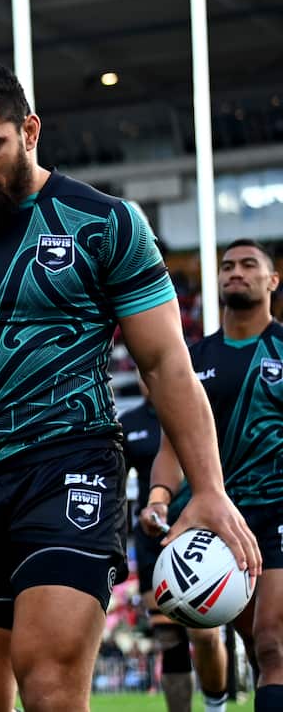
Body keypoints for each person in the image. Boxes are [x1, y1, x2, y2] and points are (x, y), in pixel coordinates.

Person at [0, 60, 260, 712]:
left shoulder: (105, 223)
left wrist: (207, 488)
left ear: (30, 130)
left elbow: (166, 364)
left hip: (69, 470)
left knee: (49, 681)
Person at [145, 239, 283, 711]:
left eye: (249, 265)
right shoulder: (192, 358)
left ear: (272, 280)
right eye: (226, 266)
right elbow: (171, 447)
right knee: (254, 649)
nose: (235, 272)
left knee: (272, 643)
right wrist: (159, 497)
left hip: (277, 512)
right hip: (218, 524)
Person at [122, 381, 229, 712]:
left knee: (205, 636)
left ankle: (215, 706)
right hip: (153, 539)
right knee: (169, 640)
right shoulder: (130, 423)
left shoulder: (196, 410)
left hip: (201, 538)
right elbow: (117, 485)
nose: (144, 378)